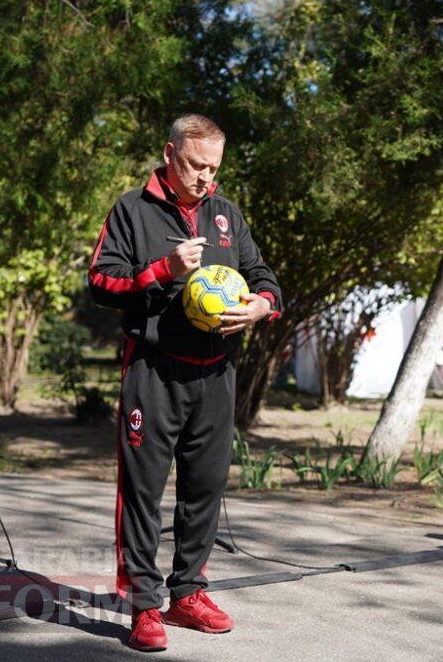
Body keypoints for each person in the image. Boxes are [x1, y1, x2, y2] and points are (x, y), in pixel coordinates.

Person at [89, 115, 281, 652]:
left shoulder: (225, 214)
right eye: (197, 166)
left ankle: (187, 594)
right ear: (170, 154)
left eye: (214, 168)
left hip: (216, 373)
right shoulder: (132, 210)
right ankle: (144, 605)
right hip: (153, 369)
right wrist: (163, 270)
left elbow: (262, 275)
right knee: (143, 492)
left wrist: (262, 305)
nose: (206, 178)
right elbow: (102, 280)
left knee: (205, 488)